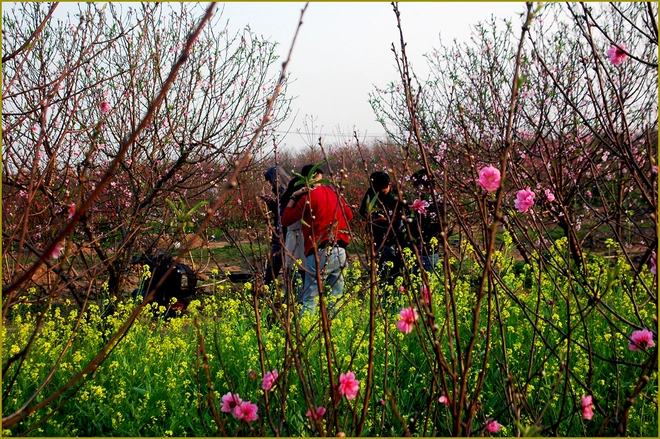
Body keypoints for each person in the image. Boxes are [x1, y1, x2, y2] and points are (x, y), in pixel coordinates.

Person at [281, 164, 353, 317]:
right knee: (336, 299)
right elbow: (350, 215)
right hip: (340, 249)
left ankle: (305, 336)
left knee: (310, 301)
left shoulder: (308, 198)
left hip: (319, 251)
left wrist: (294, 196)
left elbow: (286, 220)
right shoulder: (334, 193)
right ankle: (334, 334)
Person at [359, 171, 406, 283]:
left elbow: (405, 218)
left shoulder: (397, 196)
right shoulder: (371, 193)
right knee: (380, 273)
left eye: (383, 189)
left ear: (389, 184)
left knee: (395, 273)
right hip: (377, 239)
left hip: (394, 239)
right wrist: (372, 218)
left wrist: (388, 220)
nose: (380, 192)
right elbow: (362, 214)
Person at [408, 169, 446, 272]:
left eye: (416, 186)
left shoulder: (434, 203)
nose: (415, 190)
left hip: (427, 252)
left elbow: (435, 226)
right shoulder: (435, 200)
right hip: (423, 250)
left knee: (425, 285)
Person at [261, 166, 291, 288]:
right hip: (279, 236)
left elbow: (285, 213)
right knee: (272, 269)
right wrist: (271, 204)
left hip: (286, 237)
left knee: (287, 269)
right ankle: (270, 292)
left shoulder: (288, 192)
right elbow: (280, 212)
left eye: (271, 181)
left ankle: (288, 296)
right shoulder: (280, 192)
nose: (271, 185)